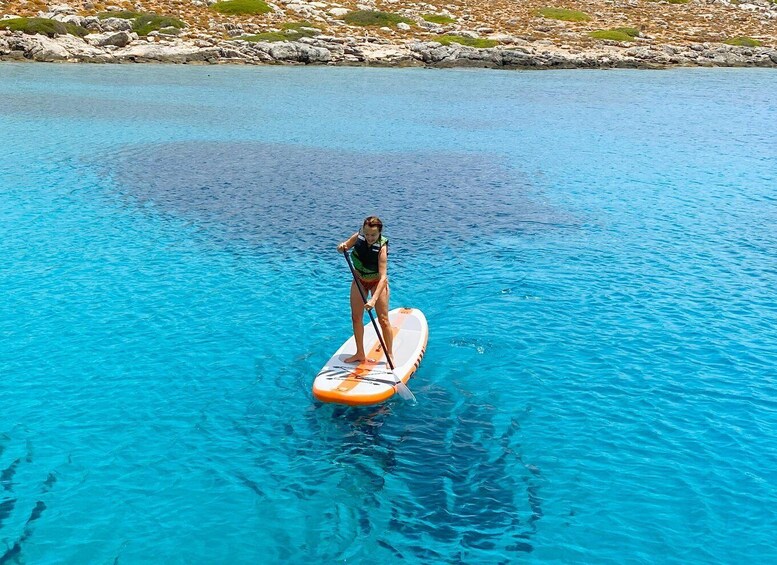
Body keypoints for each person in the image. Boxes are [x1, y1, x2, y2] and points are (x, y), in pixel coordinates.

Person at [337, 216, 392, 364]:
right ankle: (360, 353)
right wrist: (342, 247)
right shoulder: (358, 237)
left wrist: (373, 300)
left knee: (383, 320)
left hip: (376, 283)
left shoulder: (382, 248)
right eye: (366, 234)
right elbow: (344, 246)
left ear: (379, 233)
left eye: (373, 235)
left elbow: (383, 278)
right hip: (359, 280)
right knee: (356, 317)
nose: (369, 238)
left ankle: (390, 355)